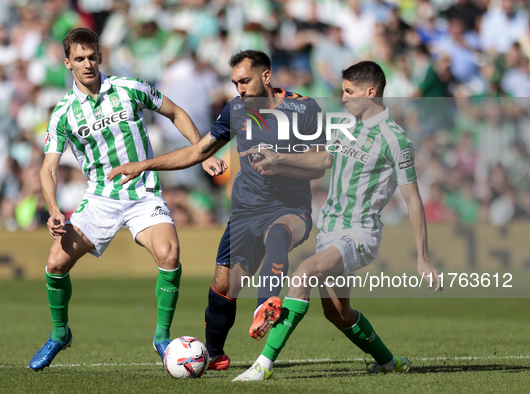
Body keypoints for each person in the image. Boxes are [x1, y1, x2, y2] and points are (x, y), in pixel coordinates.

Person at [108, 50, 326, 370]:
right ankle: (214, 355)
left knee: (278, 232)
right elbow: (199, 151)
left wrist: (282, 160)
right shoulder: (236, 110)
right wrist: (144, 164)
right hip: (245, 211)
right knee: (223, 285)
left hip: (290, 207)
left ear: (266, 77)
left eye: (246, 81)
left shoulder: (304, 107)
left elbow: (322, 161)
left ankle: (265, 303)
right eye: (236, 82)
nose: (240, 89)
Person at [29, 27, 224, 371]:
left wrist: (203, 153)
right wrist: (54, 210)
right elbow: (48, 169)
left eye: (92, 57)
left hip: (143, 194)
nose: (87, 64)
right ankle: (60, 333)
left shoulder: (130, 88)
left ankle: (162, 337)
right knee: (55, 264)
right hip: (101, 198)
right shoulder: (63, 113)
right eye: (79, 59)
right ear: (67, 64)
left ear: (100, 56)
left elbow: (176, 112)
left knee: (170, 253)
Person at [233, 61, 443, 381]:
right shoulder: (346, 123)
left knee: (303, 272)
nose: (343, 98)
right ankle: (390, 363)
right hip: (329, 229)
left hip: (359, 232)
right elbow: (325, 158)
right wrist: (279, 158)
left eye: (349, 91)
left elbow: (413, 200)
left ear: (370, 92)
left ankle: (262, 366)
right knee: (338, 314)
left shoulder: (395, 140)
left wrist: (424, 260)